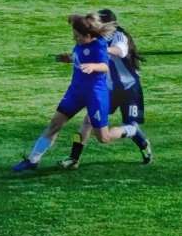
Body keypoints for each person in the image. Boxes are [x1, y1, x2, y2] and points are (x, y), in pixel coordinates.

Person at [13, 13, 126, 172]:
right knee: (55, 124)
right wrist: (70, 58)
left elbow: (104, 66)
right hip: (76, 92)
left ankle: (129, 130)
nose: (75, 39)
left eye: (78, 36)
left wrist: (93, 67)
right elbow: (80, 56)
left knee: (103, 138)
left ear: (88, 35)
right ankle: (33, 160)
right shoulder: (81, 43)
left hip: (95, 95)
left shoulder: (99, 45)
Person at [60, 9, 152, 170]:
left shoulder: (119, 35)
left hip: (129, 89)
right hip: (108, 89)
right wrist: (72, 58)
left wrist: (104, 50)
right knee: (88, 120)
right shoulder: (95, 39)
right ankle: (73, 158)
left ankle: (140, 139)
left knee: (129, 125)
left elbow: (121, 50)